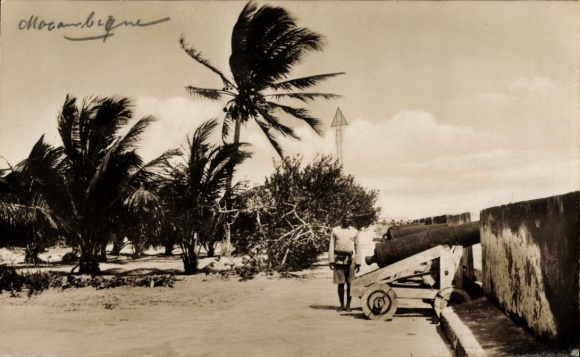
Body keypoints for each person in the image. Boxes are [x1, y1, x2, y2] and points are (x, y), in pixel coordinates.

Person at [328, 214, 361, 312]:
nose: (347, 220)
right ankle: (341, 305)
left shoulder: (355, 231)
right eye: (345, 218)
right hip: (338, 260)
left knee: (350, 283)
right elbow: (331, 246)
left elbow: (358, 247)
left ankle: (348, 305)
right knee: (340, 283)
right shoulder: (335, 230)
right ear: (342, 219)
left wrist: (358, 262)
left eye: (349, 218)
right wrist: (331, 261)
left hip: (350, 260)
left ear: (351, 220)